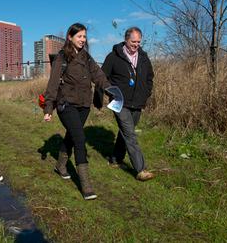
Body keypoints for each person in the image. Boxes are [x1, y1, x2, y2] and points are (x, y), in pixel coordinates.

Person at [43, 23, 110, 200]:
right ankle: (86, 185)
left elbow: (99, 75)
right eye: (79, 36)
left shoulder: (86, 57)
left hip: (84, 105)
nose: (83, 40)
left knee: (72, 135)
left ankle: (60, 165)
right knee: (80, 138)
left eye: (84, 37)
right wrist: (49, 107)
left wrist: (112, 90)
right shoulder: (62, 57)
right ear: (70, 37)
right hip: (67, 104)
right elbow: (53, 83)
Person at [100, 27, 155, 181]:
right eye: (133, 41)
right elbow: (102, 78)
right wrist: (111, 93)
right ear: (126, 40)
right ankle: (141, 169)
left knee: (125, 132)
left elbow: (150, 77)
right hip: (119, 102)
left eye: (138, 42)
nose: (136, 45)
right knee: (130, 134)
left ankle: (115, 159)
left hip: (138, 103)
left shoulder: (144, 57)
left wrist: (146, 93)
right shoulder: (113, 57)